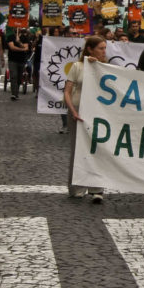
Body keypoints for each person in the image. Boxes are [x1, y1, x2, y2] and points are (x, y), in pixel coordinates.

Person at [63, 36, 108, 203]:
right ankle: (77, 187)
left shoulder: (105, 67)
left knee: (98, 149)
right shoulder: (77, 66)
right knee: (77, 150)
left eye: (105, 48)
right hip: (78, 113)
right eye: (101, 48)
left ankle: (97, 188)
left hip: (98, 114)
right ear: (90, 49)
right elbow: (67, 91)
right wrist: (72, 110)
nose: (104, 51)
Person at [6, 28, 32, 100]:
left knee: (19, 77)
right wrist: (22, 49)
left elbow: (26, 47)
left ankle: (16, 91)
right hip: (12, 60)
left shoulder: (25, 38)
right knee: (13, 76)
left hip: (22, 60)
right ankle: (14, 93)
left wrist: (19, 42)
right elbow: (12, 47)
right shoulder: (10, 37)